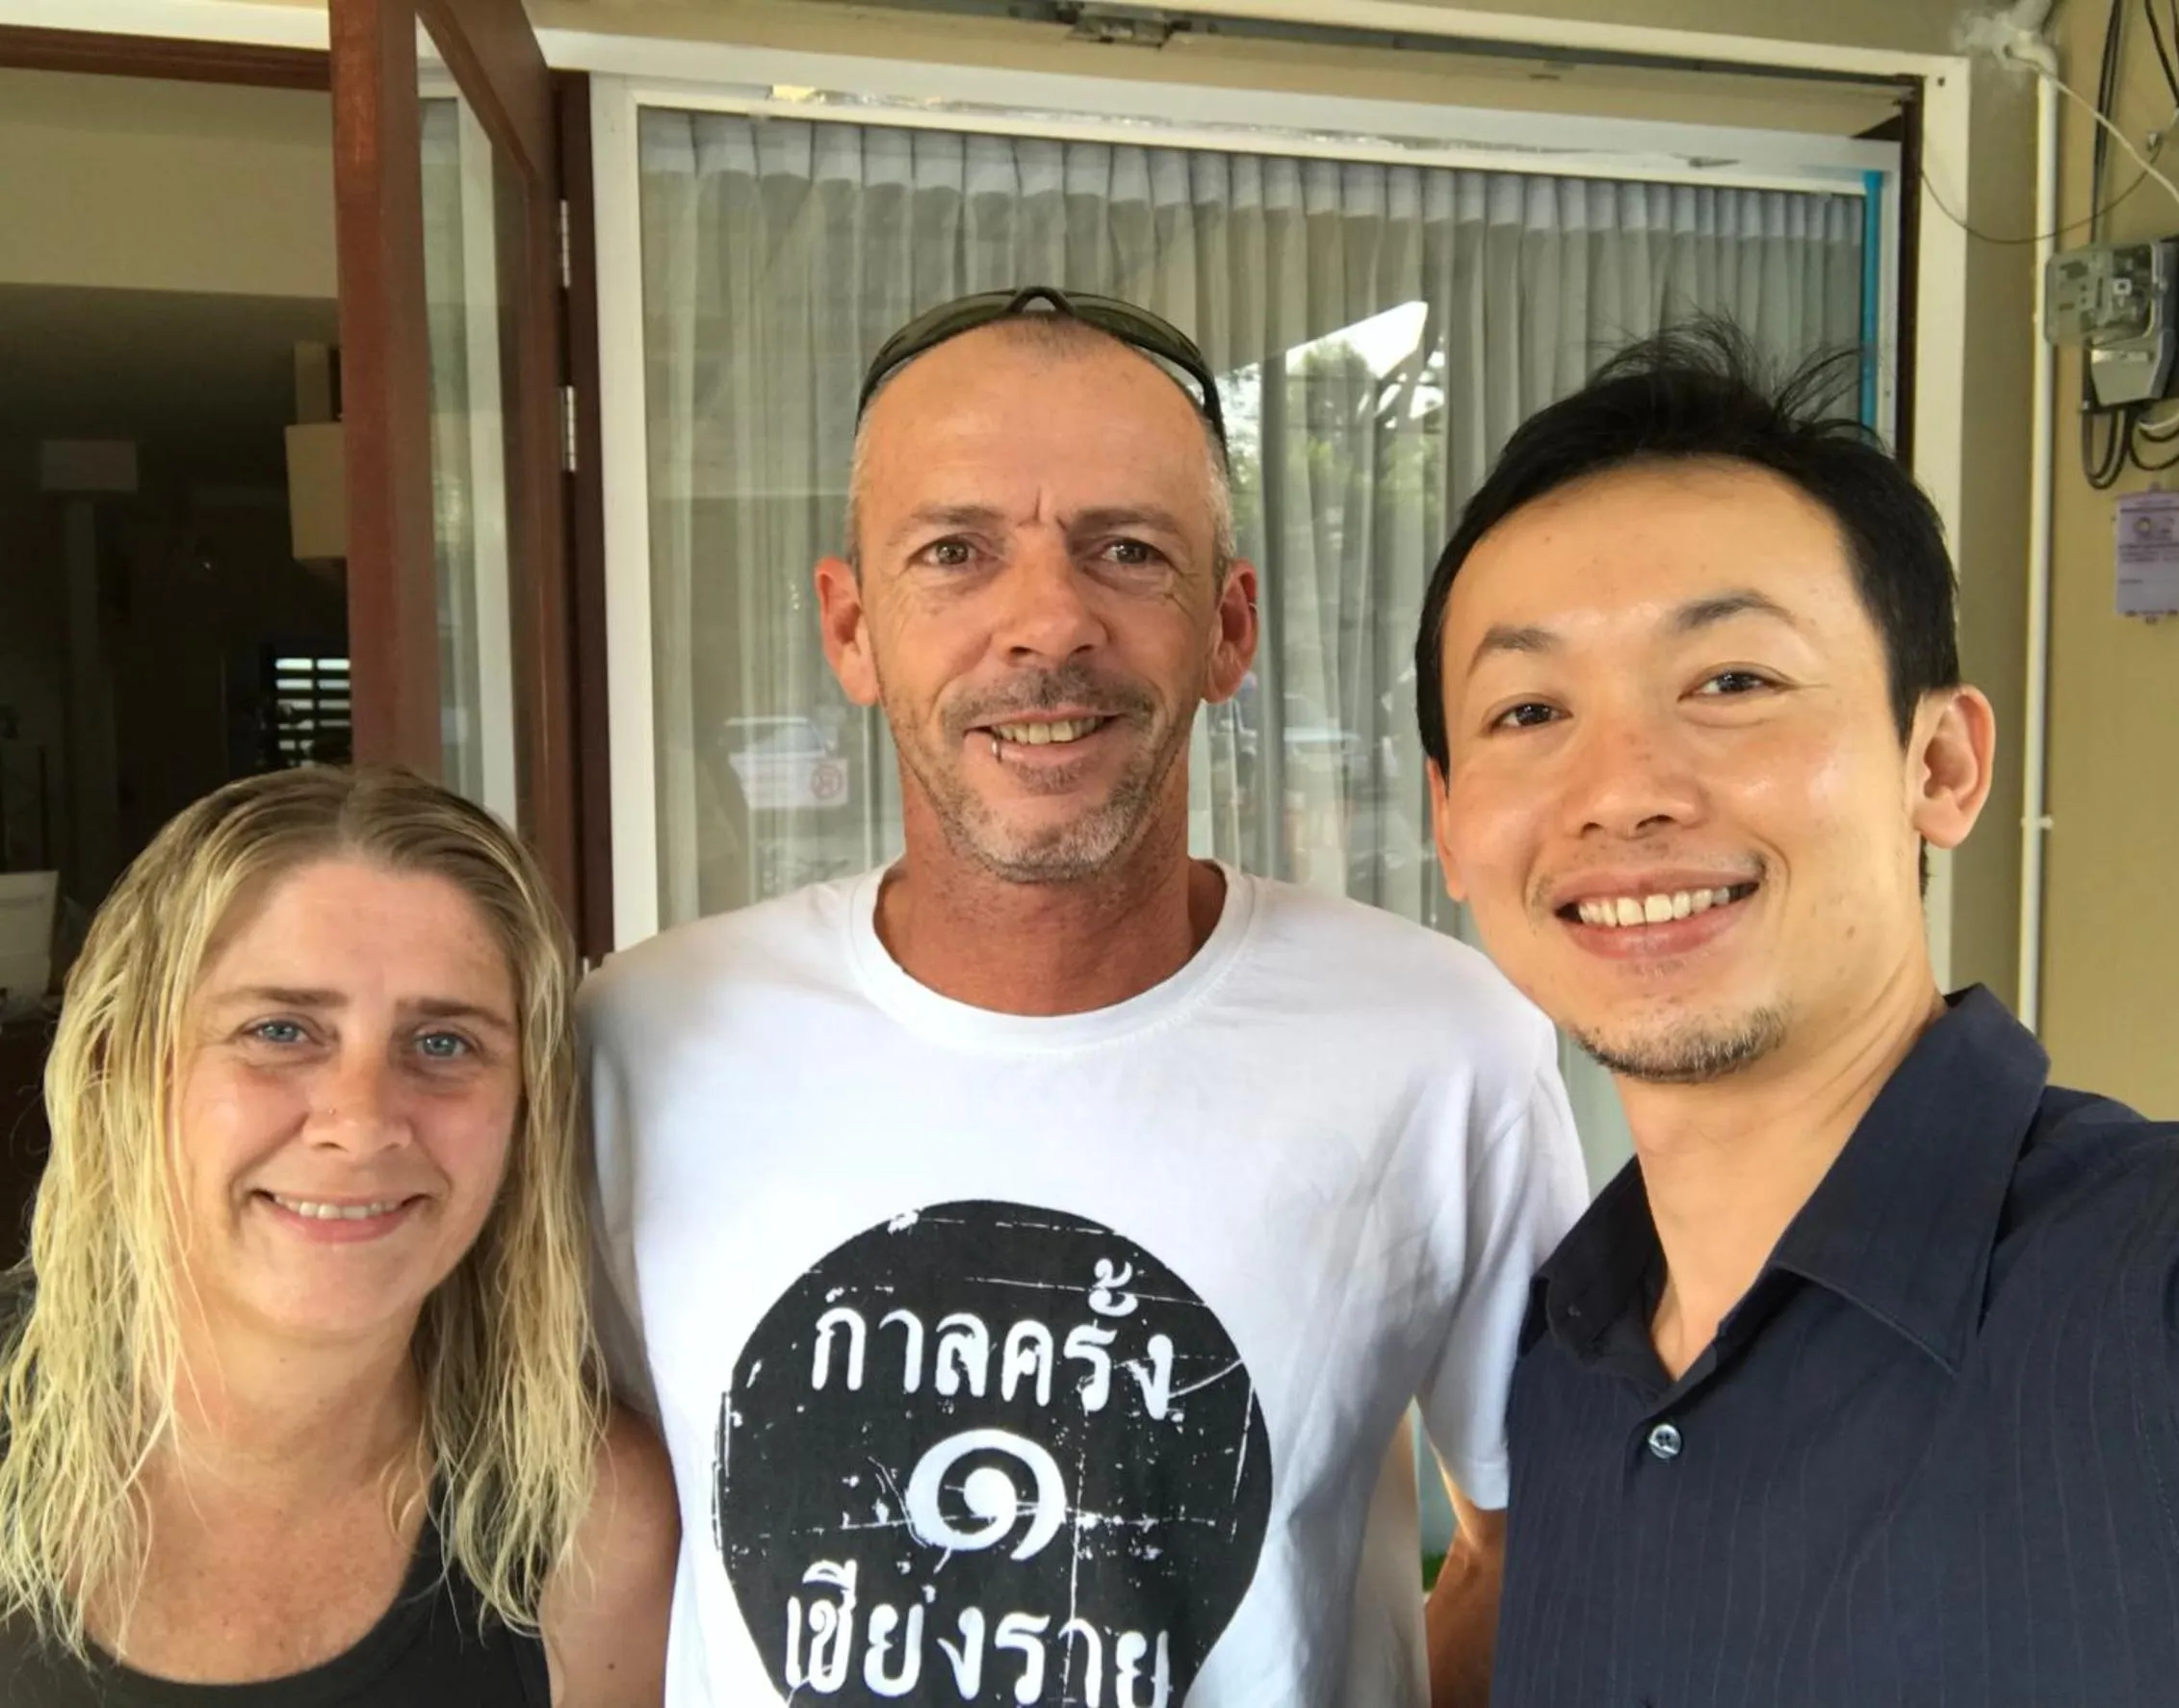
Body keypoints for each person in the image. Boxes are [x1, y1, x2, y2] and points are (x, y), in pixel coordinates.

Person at [581, 286, 1588, 1708]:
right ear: (852, 626)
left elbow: (1530, 1541)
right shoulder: (642, 1039)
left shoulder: (1442, 1045)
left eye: (1127, 551)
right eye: (955, 552)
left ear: (1229, 626)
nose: (1048, 620)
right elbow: (603, 1538)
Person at [1415, 323, 2179, 1708]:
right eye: (1527, 710)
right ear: (1450, 826)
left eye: (1732, 682)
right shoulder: (1560, 1373)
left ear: (1939, 765)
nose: (1621, 790)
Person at [0, 766, 678, 1705]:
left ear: (525, 1110)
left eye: (444, 1043)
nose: (361, 1124)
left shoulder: (588, 1525)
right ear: (122, 1070)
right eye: (280, 1030)